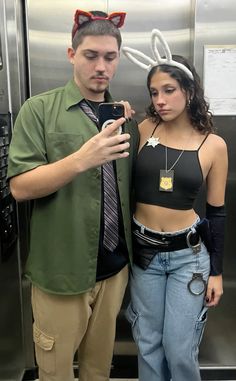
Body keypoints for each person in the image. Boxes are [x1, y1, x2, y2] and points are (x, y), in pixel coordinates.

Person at [7, 9, 139, 381]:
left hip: (114, 271)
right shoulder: (39, 111)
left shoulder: (124, 118)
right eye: (91, 55)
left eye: (110, 57)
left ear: (118, 59)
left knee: (99, 369)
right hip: (61, 272)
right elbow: (20, 187)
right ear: (71, 55)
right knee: (56, 371)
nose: (101, 66)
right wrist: (82, 159)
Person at [122, 29, 228, 381]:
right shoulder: (143, 129)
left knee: (179, 348)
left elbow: (217, 213)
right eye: (155, 92)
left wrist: (216, 270)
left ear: (189, 91)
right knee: (148, 344)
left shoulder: (214, 145)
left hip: (189, 257)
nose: (161, 100)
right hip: (144, 256)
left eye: (169, 90)